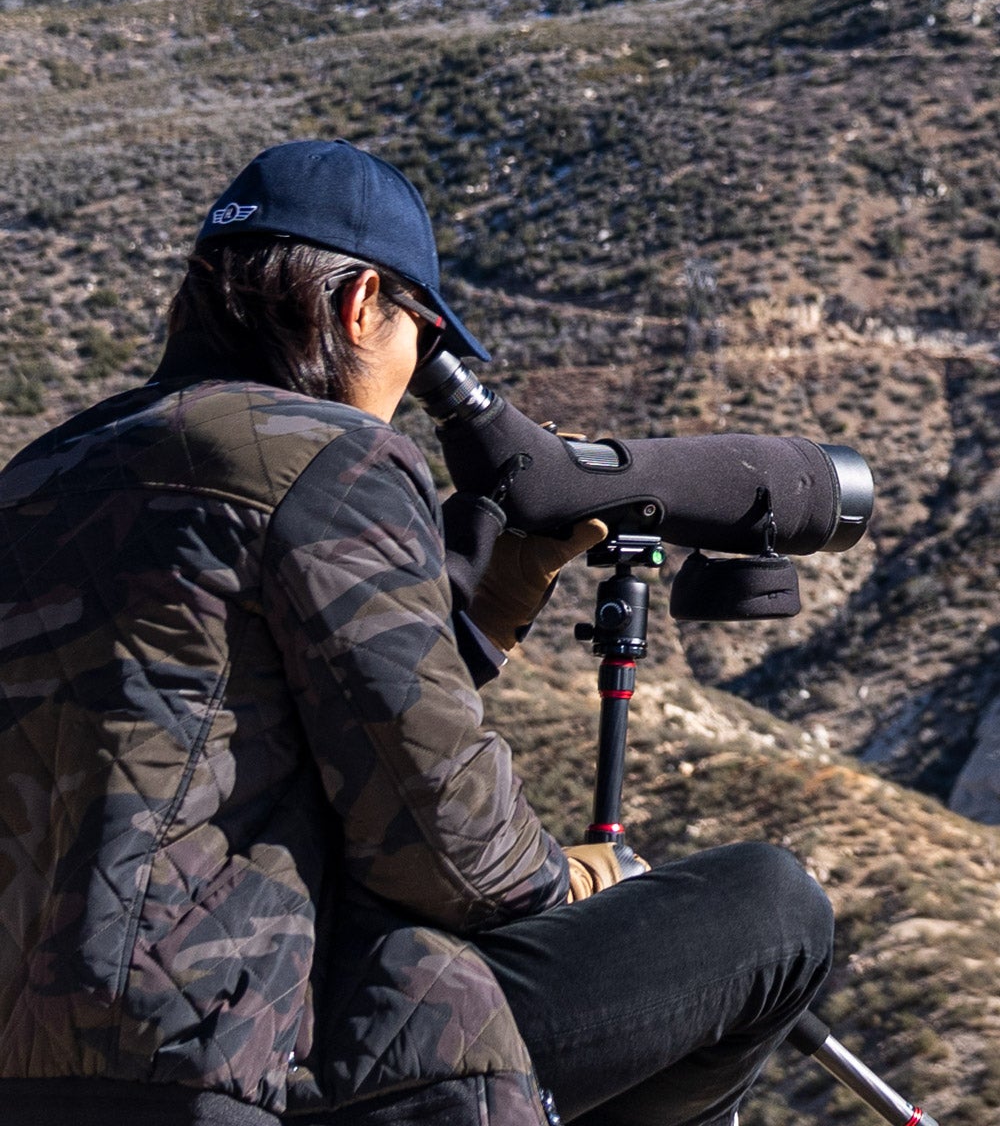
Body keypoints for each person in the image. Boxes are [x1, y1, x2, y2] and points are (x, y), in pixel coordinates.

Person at [0, 139, 834, 1126]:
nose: (411, 376)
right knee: (771, 908)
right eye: (422, 335)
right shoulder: (332, 458)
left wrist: (480, 617)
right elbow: (452, 853)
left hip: (40, 1074)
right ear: (360, 303)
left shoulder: (35, 477)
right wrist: (577, 875)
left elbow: (218, 733)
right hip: (244, 1059)